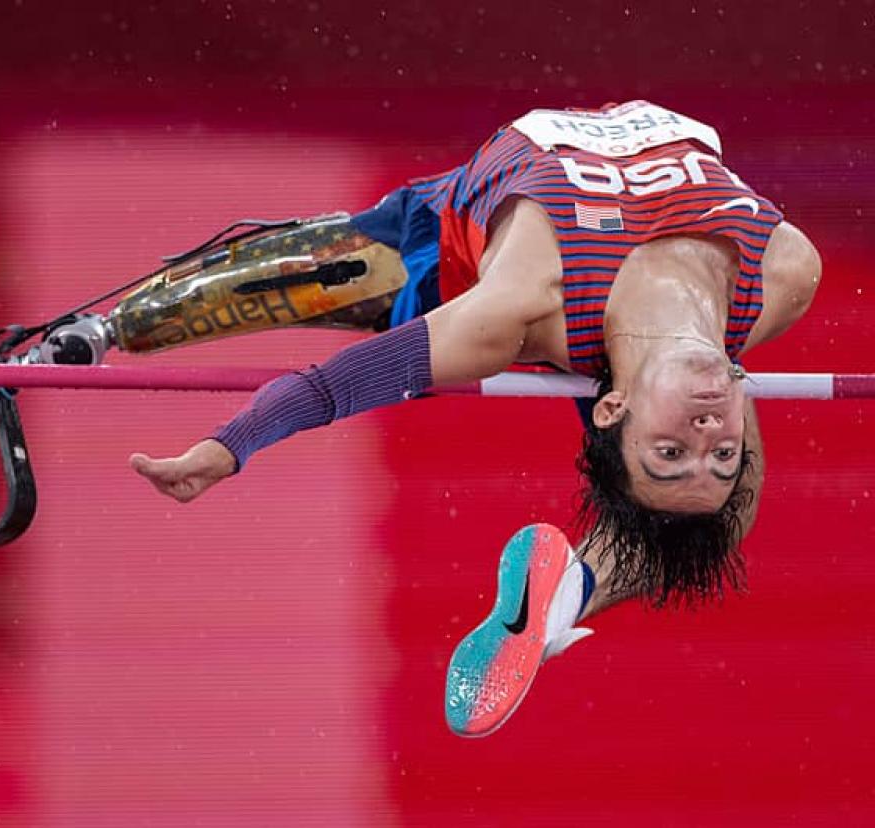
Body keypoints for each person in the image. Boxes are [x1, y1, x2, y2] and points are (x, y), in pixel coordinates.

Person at [127, 100, 823, 735]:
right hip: (616, 306)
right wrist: (686, 439)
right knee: (722, 514)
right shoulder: (786, 274)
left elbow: (335, 388)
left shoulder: (516, 305)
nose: (707, 436)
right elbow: (691, 406)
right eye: (722, 452)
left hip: (442, 252)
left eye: (669, 452)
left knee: (154, 316)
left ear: (611, 410)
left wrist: (231, 445)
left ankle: (559, 599)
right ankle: (566, 598)